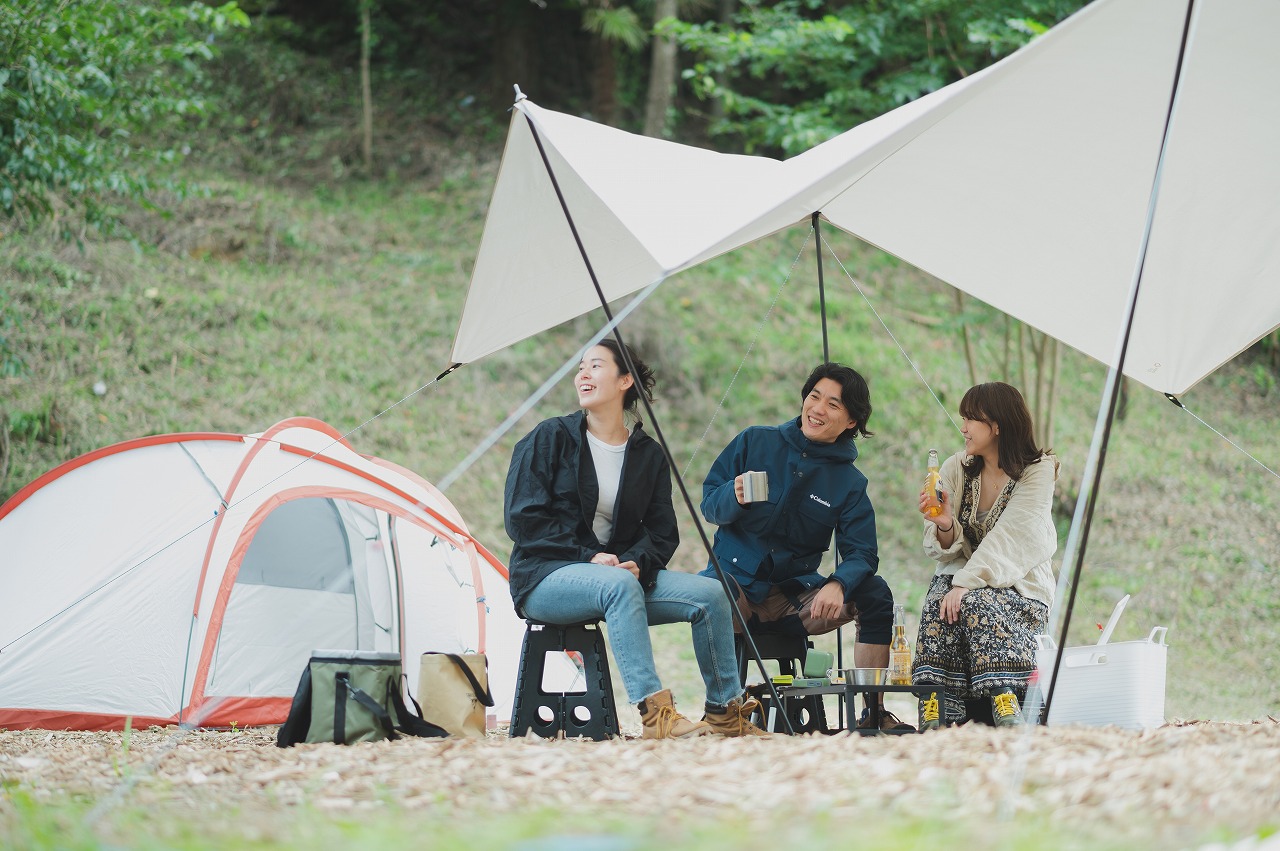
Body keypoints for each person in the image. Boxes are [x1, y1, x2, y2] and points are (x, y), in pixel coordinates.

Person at [504, 338, 768, 739]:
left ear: (625, 379)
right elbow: (523, 519)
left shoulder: (648, 456)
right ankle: (655, 714)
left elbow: (662, 532)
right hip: (546, 578)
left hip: (618, 580)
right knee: (618, 584)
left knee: (712, 594)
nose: (583, 374)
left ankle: (725, 713)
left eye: (595, 366)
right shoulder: (550, 438)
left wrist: (637, 561)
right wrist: (589, 557)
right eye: (580, 367)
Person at [700, 362, 910, 731]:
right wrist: (732, 495)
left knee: (874, 593)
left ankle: (873, 713)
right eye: (815, 397)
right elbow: (708, 505)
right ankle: (724, 711)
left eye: (833, 404)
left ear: (850, 422)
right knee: (714, 592)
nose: (818, 409)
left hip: (794, 601)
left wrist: (838, 583)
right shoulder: (755, 441)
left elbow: (863, 552)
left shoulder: (849, 482)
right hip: (737, 587)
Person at [913, 381, 1059, 730]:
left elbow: (1012, 538)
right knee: (937, 599)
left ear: (996, 426)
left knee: (975, 602)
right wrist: (946, 524)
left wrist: (965, 585)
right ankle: (937, 704)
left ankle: (1004, 698)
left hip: (1021, 586)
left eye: (970, 419)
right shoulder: (955, 467)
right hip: (965, 578)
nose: (962, 428)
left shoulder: (1038, 471)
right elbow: (944, 547)